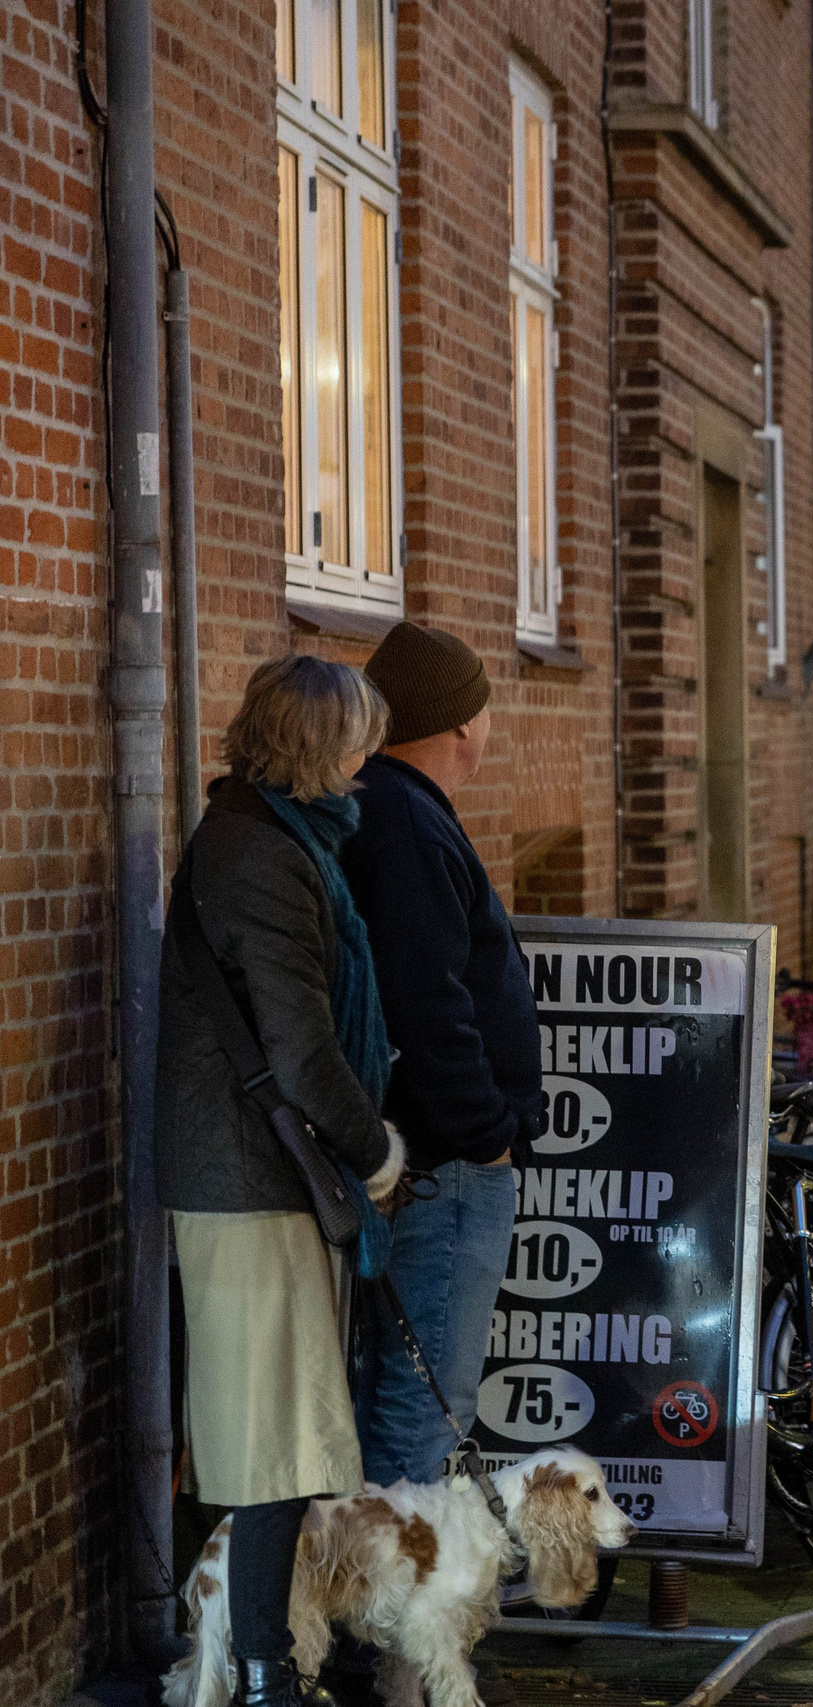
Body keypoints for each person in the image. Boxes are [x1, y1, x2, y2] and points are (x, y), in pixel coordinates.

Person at [158, 655, 406, 1707]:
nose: (367, 764)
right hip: (251, 1183)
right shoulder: (261, 856)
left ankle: (259, 1668)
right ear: (315, 749)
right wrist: (376, 1150)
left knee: (280, 1439)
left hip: (256, 1178)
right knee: (270, 1447)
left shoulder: (269, 840)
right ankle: (263, 1677)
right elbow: (304, 1051)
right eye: (357, 742)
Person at [341, 621, 542, 1491]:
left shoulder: (385, 809)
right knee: (425, 1400)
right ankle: (389, 1621)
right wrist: (485, 1133)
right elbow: (427, 1004)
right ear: (461, 721)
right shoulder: (409, 825)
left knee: (395, 1390)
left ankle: (367, 1606)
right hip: (446, 1166)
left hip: (415, 1157)